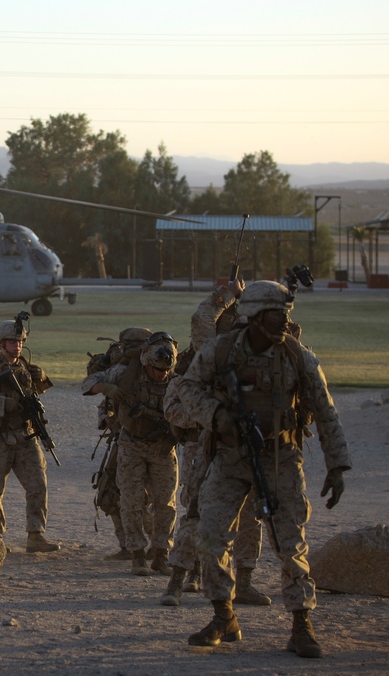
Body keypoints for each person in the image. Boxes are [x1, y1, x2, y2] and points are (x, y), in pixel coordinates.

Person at [170, 280, 350, 659]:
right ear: (253, 316)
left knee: (289, 543)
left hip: (280, 459)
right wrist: (218, 416)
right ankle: (224, 615)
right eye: (275, 314)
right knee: (211, 535)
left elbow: (325, 410)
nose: (283, 321)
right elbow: (186, 390)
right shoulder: (219, 352)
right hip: (230, 457)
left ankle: (301, 622)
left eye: (285, 314)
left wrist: (337, 465)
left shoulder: (297, 357)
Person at [160, 279, 271, 607]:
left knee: (252, 514)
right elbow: (202, 319)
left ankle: (245, 580)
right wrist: (226, 294)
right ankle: (177, 580)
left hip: (251, 445)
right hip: (213, 445)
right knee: (196, 511)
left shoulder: (268, 354)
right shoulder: (216, 356)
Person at [84, 331, 179, 576]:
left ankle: (161, 554)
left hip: (162, 448)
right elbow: (88, 383)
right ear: (148, 362)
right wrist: (108, 388)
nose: (162, 374)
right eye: (157, 370)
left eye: (165, 370)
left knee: (165, 504)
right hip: (131, 445)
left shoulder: (176, 381)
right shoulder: (127, 374)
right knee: (131, 501)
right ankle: (137, 553)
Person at [0, 314, 60, 553]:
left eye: (20, 341)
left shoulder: (25, 367)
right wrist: (3, 404)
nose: (17, 345)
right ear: (1, 343)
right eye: (12, 341)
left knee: (38, 484)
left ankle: (35, 535)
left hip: (26, 436)